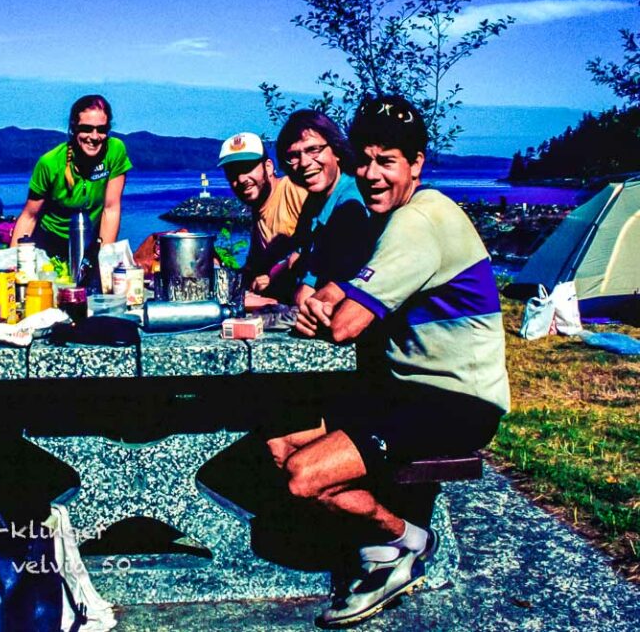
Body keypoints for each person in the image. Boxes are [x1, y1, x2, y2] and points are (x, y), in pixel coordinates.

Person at [280, 96, 510, 627]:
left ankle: (408, 543)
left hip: (455, 401)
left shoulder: (418, 223)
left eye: (387, 162)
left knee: (301, 476)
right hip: (407, 390)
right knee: (279, 441)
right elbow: (336, 300)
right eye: (363, 160)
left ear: (416, 164)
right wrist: (326, 304)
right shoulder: (400, 219)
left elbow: (343, 324)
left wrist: (327, 310)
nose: (371, 175)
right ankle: (377, 550)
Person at [275, 111, 379, 309]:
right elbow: (297, 259)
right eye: (294, 156)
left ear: (337, 151)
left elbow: (309, 295)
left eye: (314, 149)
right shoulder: (316, 201)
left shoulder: (351, 208)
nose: (305, 162)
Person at [9, 94, 132, 260]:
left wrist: (105, 261)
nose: (94, 137)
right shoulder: (50, 163)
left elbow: (111, 209)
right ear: (74, 129)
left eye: (101, 129)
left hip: (89, 240)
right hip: (49, 243)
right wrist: (13, 261)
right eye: (87, 128)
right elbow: (30, 216)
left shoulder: (115, 150)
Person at [218, 131, 308, 303]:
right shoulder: (258, 210)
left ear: (268, 167)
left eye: (247, 168)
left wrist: (274, 276)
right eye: (233, 173)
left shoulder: (293, 189)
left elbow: (322, 248)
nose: (242, 178)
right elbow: (254, 270)